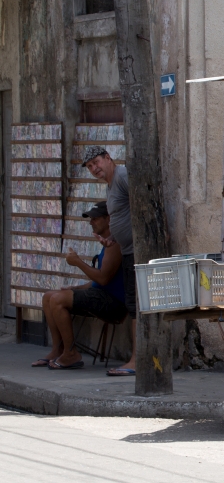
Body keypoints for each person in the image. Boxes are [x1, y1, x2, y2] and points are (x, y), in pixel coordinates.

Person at [34, 203, 136, 373]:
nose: (91, 223)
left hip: (113, 303)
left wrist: (78, 263)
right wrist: (76, 288)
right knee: (49, 296)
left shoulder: (115, 244)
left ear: (108, 219)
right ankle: (57, 349)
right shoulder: (106, 242)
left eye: (95, 219)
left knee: (58, 300)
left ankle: (70, 353)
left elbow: (103, 279)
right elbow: (98, 281)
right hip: (100, 295)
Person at [82, 146, 138, 376]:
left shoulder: (123, 176)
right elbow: (124, 214)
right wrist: (113, 237)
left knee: (138, 308)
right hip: (126, 249)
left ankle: (137, 361)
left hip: (137, 252)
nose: (95, 168)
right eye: (90, 167)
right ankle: (136, 359)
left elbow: (141, 204)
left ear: (108, 158)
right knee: (135, 306)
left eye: (96, 162)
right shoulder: (111, 184)